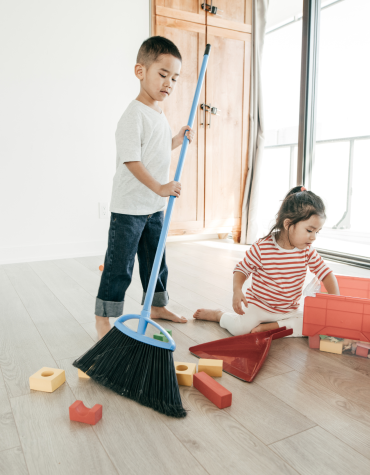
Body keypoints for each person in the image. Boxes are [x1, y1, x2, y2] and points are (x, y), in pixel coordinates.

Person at [96, 36, 193, 339]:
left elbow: (158, 148)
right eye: (163, 74)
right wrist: (161, 187)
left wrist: (177, 138)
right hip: (130, 207)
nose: (169, 83)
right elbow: (132, 161)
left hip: (154, 206)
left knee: (156, 259)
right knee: (119, 264)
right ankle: (104, 316)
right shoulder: (133, 115)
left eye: (174, 78)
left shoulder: (158, 113)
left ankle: (157, 306)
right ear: (140, 71)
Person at [193, 186, 340, 337]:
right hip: (259, 307)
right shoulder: (262, 247)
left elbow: (326, 274)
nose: (314, 237)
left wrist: (335, 301)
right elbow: (242, 269)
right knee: (240, 329)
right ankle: (220, 315)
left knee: (310, 325)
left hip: (289, 310)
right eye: (310, 231)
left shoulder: (307, 251)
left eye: (317, 232)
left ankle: (271, 327)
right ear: (288, 224)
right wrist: (237, 290)